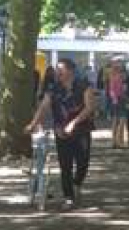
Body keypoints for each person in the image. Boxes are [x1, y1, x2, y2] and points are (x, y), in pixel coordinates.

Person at [25, 58, 97, 209]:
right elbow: (43, 107)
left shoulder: (84, 86)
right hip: (61, 131)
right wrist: (33, 123)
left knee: (83, 163)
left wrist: (73, 123)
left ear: (70, 71)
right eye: (57, 70)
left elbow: (89, 107)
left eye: (61, 69)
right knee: (65, 166)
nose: (58, 72)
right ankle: (68, 197)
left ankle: (77, 183)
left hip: (81, 130)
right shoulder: (53, 88)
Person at [105, 59, 128, 148]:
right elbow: (112, 91)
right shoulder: (116, 77)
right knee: (121, 120)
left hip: (116, 100)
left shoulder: (113, 77)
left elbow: (113, 90)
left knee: (115, 121)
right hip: (118, 100)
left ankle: (114, 141)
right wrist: (115, 99)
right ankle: (118, 141)